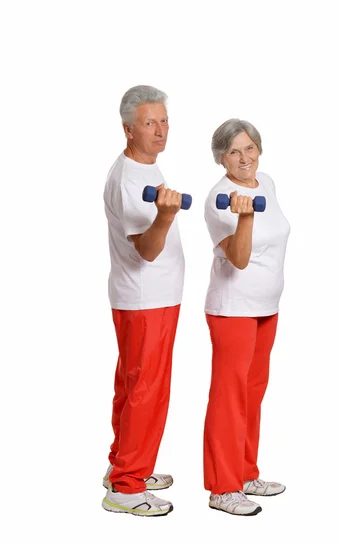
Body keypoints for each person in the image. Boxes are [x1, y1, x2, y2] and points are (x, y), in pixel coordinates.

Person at [102, 85, 185, 517]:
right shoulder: (128, 179)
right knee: (146, 392)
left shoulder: (146, 168)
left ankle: (125, 464)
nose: (160, 130)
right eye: (149, 123)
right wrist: (167, 215)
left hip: (153, 298)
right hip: (144, 299)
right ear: (128, 129)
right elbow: (148, 249)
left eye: (164, 121)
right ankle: (127, 487)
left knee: (133, 386)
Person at [203, 119, 290, 516]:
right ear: (221, 158)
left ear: (259, 149)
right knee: (229, 397)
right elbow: (238, 258)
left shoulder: (266, 183)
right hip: (233, 309)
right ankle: (222, 488)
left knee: (253, 394)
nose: (244, 158)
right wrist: (244, 217)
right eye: (234, 151)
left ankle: (244, 472)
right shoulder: (218, 198)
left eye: (249, 148)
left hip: (266, 307)